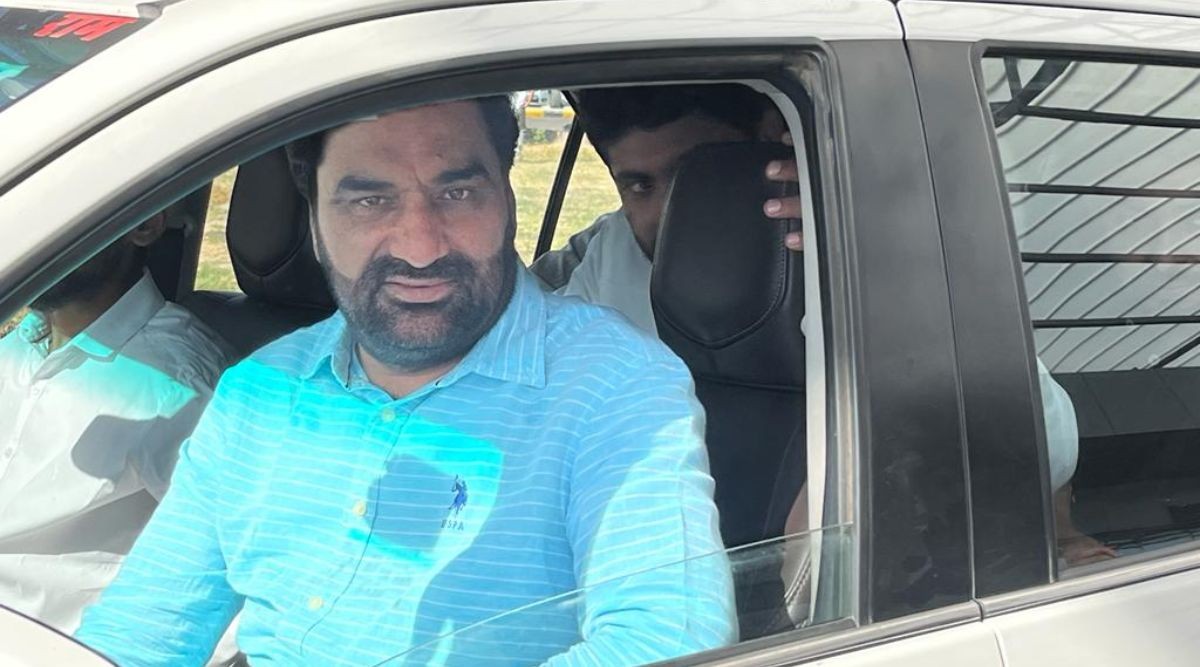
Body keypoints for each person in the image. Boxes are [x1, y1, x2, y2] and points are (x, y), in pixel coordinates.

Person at [75, 97, 735, 666]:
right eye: (369, 199)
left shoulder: (613, 383)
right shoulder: (259, 393)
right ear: (314, 218)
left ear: (507, 199)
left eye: (458, 192)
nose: (421, 247)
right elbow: (139, 634)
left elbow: (668, 640)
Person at [532, 83, 1106, 564]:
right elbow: (530, 341)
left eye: (694, 175)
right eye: (639, 185)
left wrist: (1062, 538)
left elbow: (1030, 439)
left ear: (770, 145)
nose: (664, 211)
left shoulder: (862, 248)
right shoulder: (611, 253)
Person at [0, 214, 232, 635]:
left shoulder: (181, 387)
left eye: (60, 213)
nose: (30, 233)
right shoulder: (17, 341)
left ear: (145, 227)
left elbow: (235, 571)